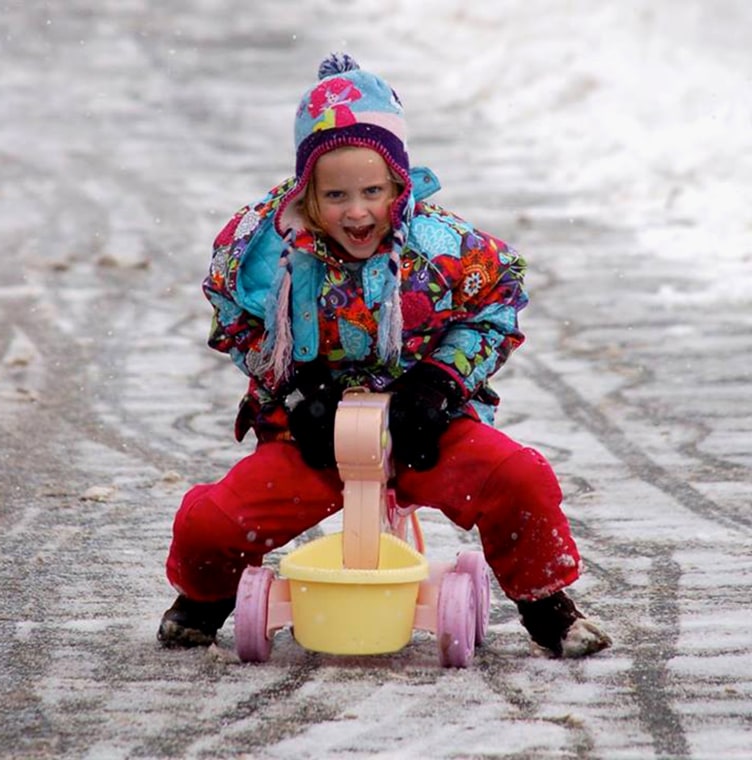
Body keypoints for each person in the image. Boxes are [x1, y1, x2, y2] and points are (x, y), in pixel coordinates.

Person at [158, 53, 611, 658]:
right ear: (306, 191)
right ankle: (203, 600)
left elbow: (497, 303)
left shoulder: (441, 246)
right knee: (212, 523)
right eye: (335, 194)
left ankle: (547, 603)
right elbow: (233, 313)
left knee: (518, 478)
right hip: (312, 435)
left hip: (426, 427)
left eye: (373, 190)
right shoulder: (268, 250)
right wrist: (293, 389)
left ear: (399, 183)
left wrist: (439, 384)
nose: (357, 210)